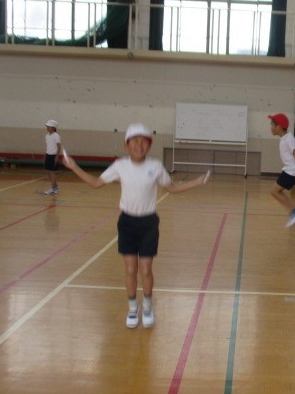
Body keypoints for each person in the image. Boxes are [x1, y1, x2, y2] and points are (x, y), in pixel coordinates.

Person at [62, 123, 210, 329]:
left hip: (149, 222)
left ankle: (147, 307)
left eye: (143, 142)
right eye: (135, 141)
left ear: (149, 146)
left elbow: (172, 188)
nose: (139, 145)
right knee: (131, 269)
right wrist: (73, 167)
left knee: (146, 268)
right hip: (127, 223)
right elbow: (96, 183)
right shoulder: (120, 166)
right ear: (127, 145)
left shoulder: (155, 166)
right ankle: (133, 308)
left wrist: (196, 182)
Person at [268, 113, 295, 227]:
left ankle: (294, 210)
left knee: (274, 192)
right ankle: (293, 210)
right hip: (290, 170)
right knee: (277, 191)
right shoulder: (285, 138)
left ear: (279, 126)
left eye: (272, 124)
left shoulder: (289, 139)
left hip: (291, 171)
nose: (271, 127)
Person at [44, 120, 62, 195]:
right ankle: (55, 186)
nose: (47, 128)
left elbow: (59, 147)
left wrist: (56, 157)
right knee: (49, 172)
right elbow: (47, 146)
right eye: (47, 126)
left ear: (53, 127)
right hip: (48, 155)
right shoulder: (47, 136)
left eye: (49, 126)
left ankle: (53, 188)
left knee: (52, 172)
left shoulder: (56, 136)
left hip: (53, 156)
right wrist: (46, 155)